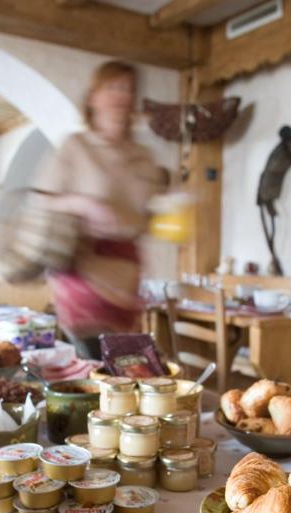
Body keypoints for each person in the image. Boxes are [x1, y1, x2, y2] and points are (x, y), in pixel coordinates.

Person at [33, 60, 168, 359]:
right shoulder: (76, 147)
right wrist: (83, 204)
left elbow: (146, 218)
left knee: (122, 365)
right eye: (113, 87)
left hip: (126, 272)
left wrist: (165, 212)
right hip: (82, 267)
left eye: (128, 89)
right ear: (93, 97)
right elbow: (42, 200)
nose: (121, 95)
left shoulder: (143, 157)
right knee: (98, 362)